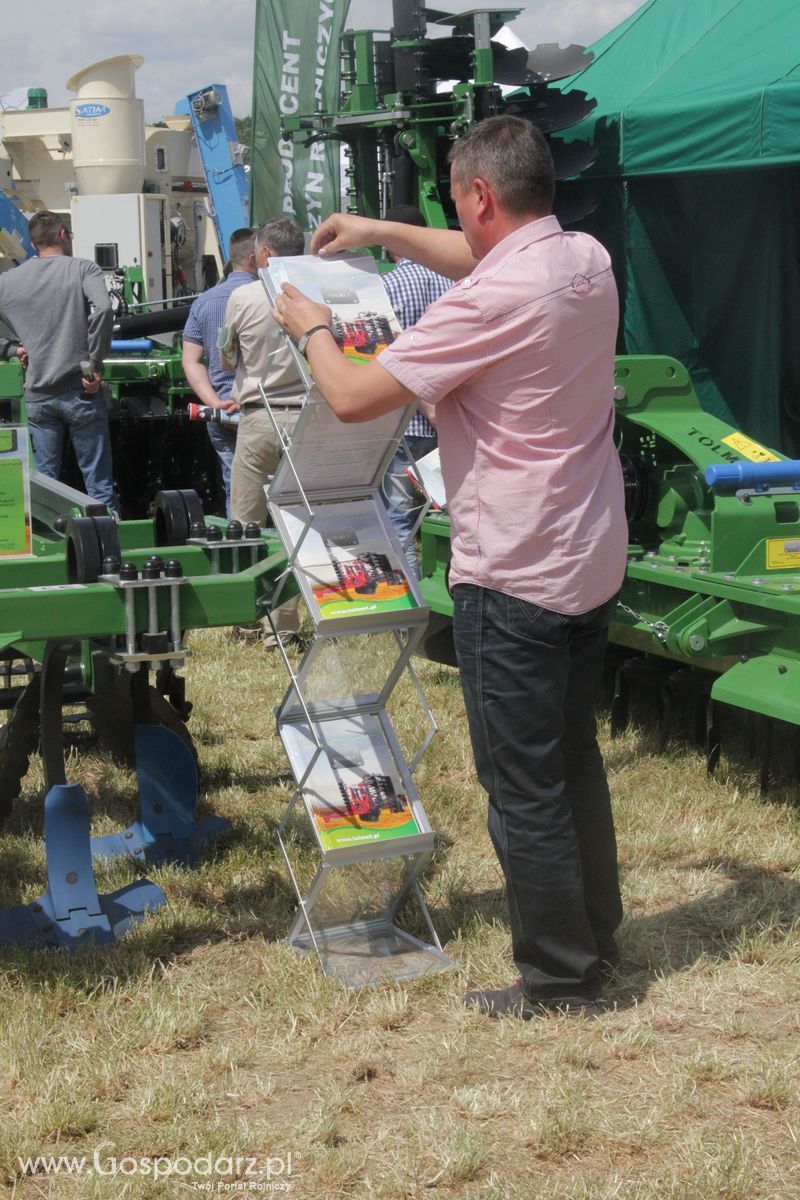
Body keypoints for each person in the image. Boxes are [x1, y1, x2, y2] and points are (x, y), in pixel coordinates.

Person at [272, 115, 627, 1018]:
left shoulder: (488, 305)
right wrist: (380, 231)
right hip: (585, 555)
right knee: (572, 758)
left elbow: (352, 396)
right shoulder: (584, 258)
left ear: (477, 197)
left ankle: (559, 979)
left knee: (521, 786)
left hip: (512, 571)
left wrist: (312, 324)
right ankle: (597, 936)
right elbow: (487, 257)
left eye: (458, 207)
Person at [220, 216, 306, 646]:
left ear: (265, 253)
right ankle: (284, 627)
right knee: (296, 522)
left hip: (257, 417)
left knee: (246, 523)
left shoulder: (242, 297)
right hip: (304, 417)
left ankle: (245, 620)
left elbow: (226, 358)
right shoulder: (312, 294)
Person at [0, 210, 119, 514]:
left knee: (46, 482)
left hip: (38, 393)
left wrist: (12, 350)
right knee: (99, 484)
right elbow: (104, 310)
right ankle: (108, 549)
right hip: (81, 390)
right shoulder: (82, 269)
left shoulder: (8, 281)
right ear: (63, 235)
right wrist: (94, 362)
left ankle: (51, 545)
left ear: (33, 242)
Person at [379, 204, 451, 578]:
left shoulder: (384, 287)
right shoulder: (455, 284)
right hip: (450, 422)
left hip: (402, 424)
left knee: (400, 521)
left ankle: (411, 610)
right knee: (451, 519)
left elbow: (380, 356)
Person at [182, 227, 258, 517]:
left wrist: (214, 402)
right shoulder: (269, 299)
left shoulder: (204, 301)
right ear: (255, 258)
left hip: (222, 411)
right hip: (261, 409)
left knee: (235, 487)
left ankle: (240, 550)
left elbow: (191, 360)